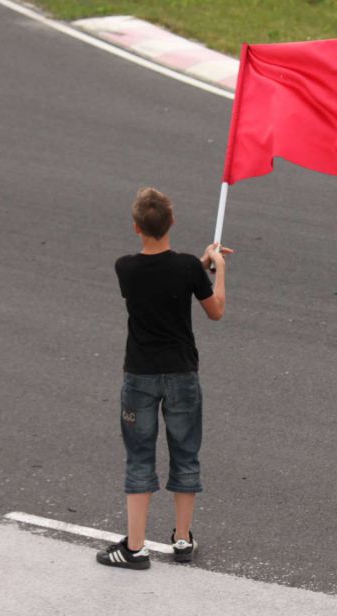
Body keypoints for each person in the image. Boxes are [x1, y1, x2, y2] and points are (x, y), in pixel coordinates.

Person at [97, 187, 231, 570]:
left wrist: (197, 266)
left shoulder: (125, 267)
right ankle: (183, 539)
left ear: (136, 227)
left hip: (139, 374)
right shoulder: (190, 267)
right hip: (181, 373)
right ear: (173, 221)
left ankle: (136, 547)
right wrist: (216, 270)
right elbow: (215, 310)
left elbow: (164, 277)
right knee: (185, 453)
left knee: (139, 456)